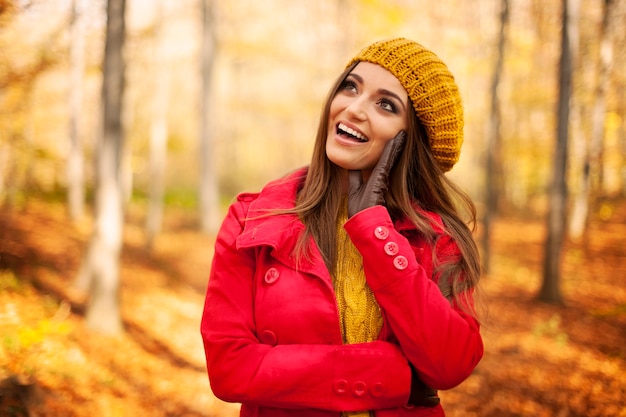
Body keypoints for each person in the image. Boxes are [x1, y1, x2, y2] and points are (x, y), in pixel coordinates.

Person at [200, 37, 483, 417]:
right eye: (351, 87)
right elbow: (229, 370)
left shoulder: (435, 236)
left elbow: (450, 363)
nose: (354, 108)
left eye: (386, 104)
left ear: (413, 141)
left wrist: (375, 232)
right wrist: (392, 375)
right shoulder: (254, 218)